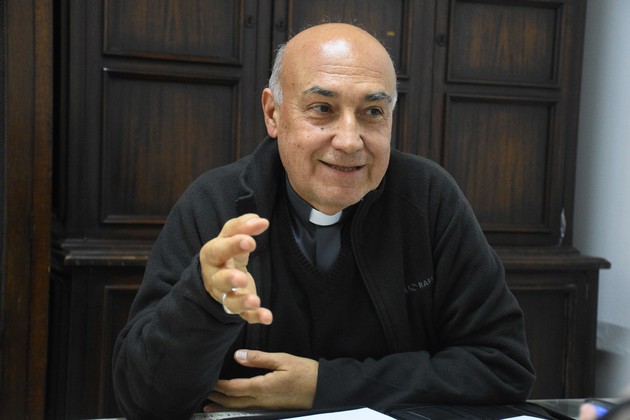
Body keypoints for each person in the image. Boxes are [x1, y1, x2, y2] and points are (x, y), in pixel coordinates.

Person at [112, 23, 535, 420]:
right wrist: (205, 300)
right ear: (273, 113)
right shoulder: (215, 203)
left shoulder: (428, 198)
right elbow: (143, 399)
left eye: (372, 111)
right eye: (322, 108)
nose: (349, 140)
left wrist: (324, 385)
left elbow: (502, 366)